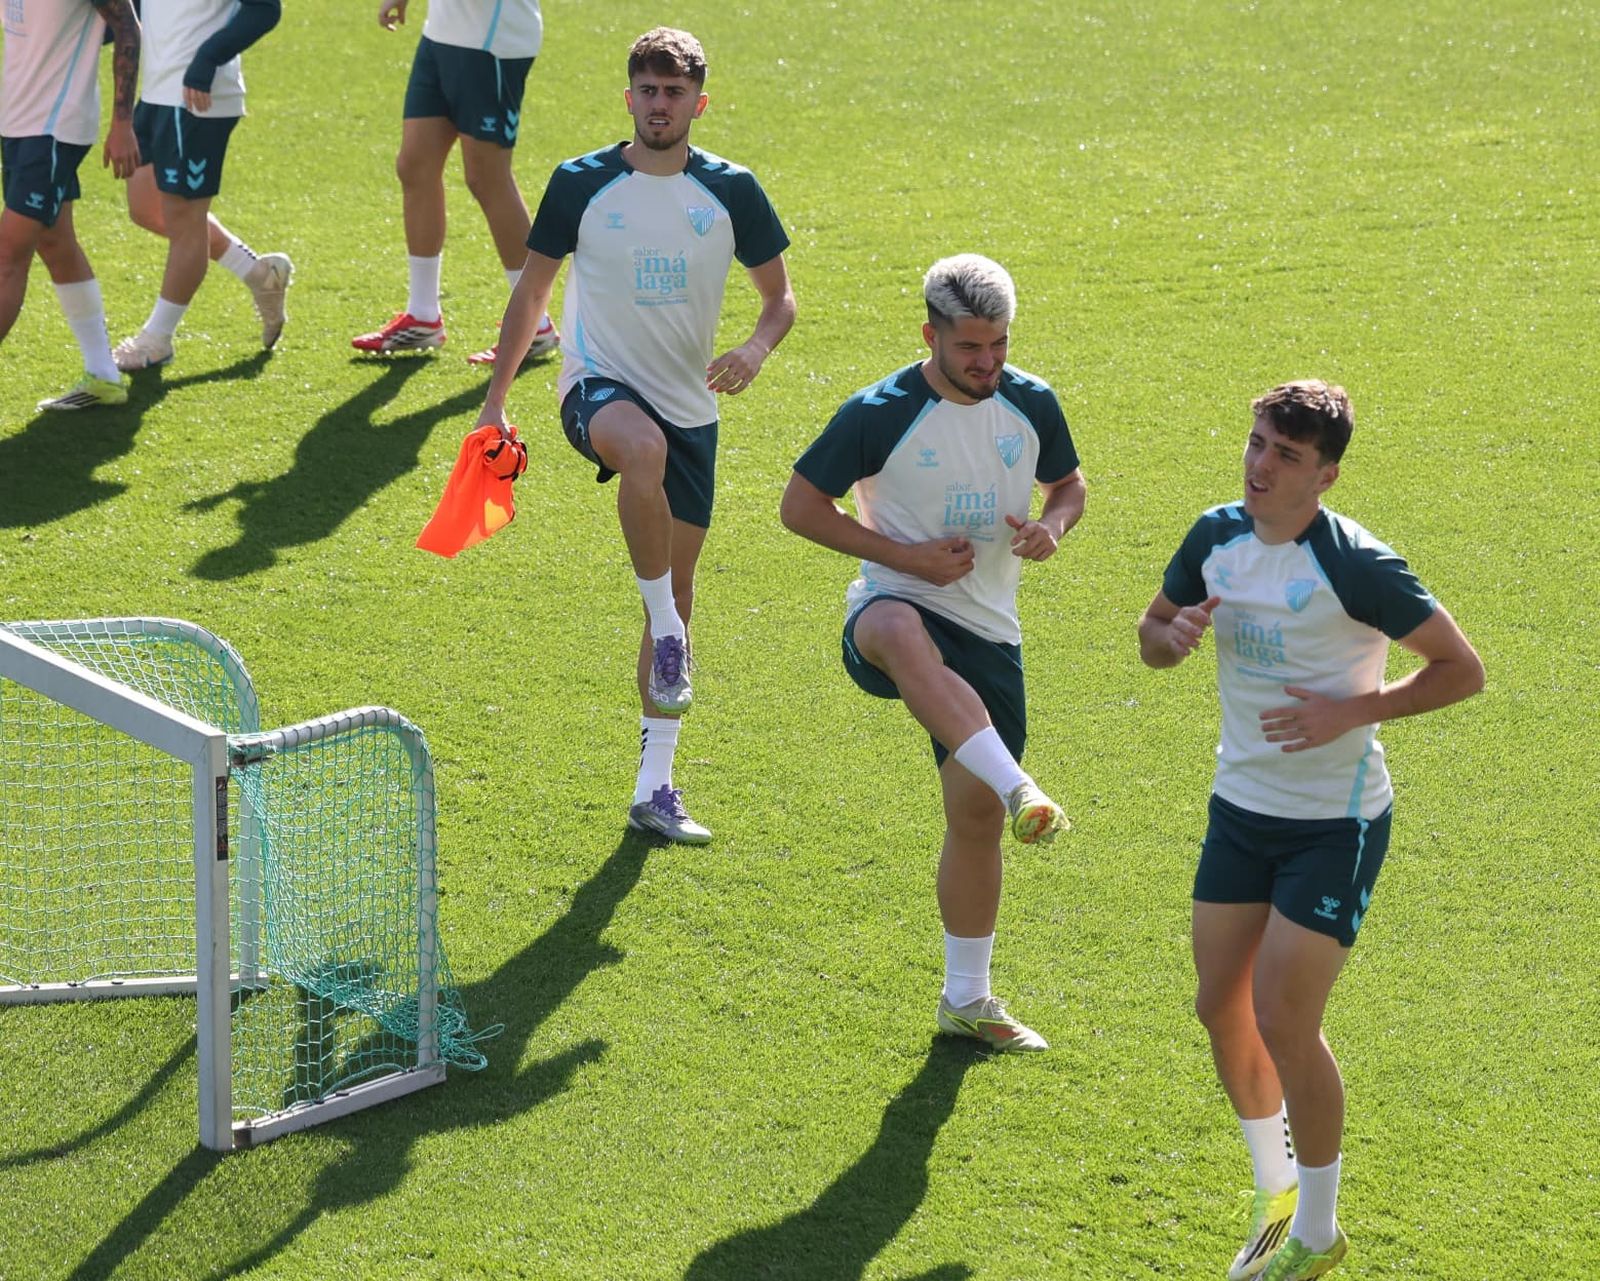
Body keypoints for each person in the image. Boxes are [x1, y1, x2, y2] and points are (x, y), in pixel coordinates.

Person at [1136, 380, 1484, 1280]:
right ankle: (1275, 1187)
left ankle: (1318, 1232)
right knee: (1220, 1006)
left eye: (1284, 455)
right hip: (1240, 809)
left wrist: (1352, 709)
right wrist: (1167, 640)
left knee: (1282, 1014)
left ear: (1323, 474)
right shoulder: (1214, 536)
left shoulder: (1358, 563)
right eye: (1256, 443)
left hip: (1335, 821)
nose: (1259, 464)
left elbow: (1460, 669)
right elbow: (1153, 627)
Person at [475, 27, 794, 844]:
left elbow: (779, 298)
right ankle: (673, 637)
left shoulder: (733, 192)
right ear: (628, 97)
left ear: (698, 102)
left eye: (674, 93)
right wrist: (495, 401)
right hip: (597, 388)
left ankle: (656, 786)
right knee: (640, 453)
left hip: (692, 406)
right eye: (647, 91)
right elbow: (531, 297)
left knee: (676, 594)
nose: (659, 105)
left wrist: (755, 349)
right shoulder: (581, 184)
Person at [780, 254, 1085, 1052]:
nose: (987, 363)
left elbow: (1071, 485)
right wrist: (907, 559)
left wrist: (1053, 528)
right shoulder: (878, 413)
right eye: (970, 348)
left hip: (988, 629)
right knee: (893, 630)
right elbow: (800, 507)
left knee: (973, 817)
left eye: (999, 346)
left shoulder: (1031, 402)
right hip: (895, 600)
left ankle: (966, 998)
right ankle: (1024, 788)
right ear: (931, 335)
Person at [351, 0, 558, 365]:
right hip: (442, 35)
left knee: (487, 177)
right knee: (415, 165)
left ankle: (535, 324)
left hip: (491, 44)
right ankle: (423, 315)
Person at [111, 0, 290, 371]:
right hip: (156, 92)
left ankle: (158, 338)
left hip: (198, 98)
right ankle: (258, 274)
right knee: (145, 209)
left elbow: (265, 10)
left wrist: (208, 59)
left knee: (185, 222)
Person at [0, 0, 140, 409]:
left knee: (8, 254)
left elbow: (128, 29)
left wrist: (123, 123)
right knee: (56, 244)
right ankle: (103, 374)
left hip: (54, 127)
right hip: (18, 122)